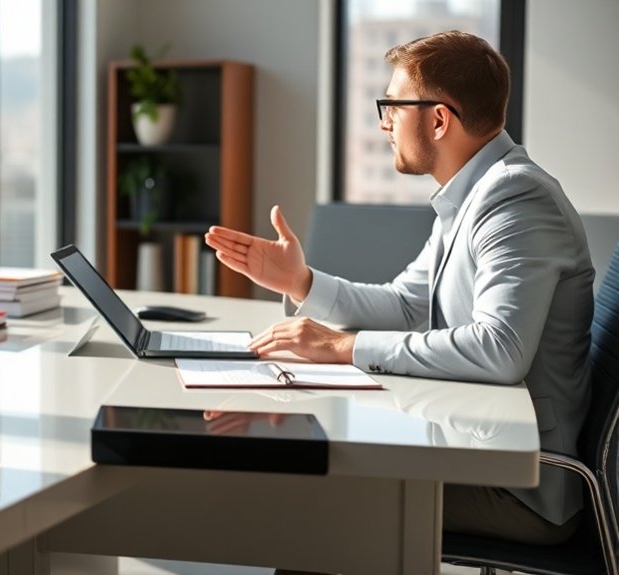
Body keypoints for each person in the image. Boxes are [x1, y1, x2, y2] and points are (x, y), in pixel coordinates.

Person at [205, 30, 593, 545]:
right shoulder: (470, 194)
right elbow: (409, 305)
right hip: (476, 445)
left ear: (438, 118)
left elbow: (500, 350)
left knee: (320, 496)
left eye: (393, 105)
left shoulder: (515, 198)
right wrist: (301, 282)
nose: (385, 122)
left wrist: (344, 348)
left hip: (522, 484)